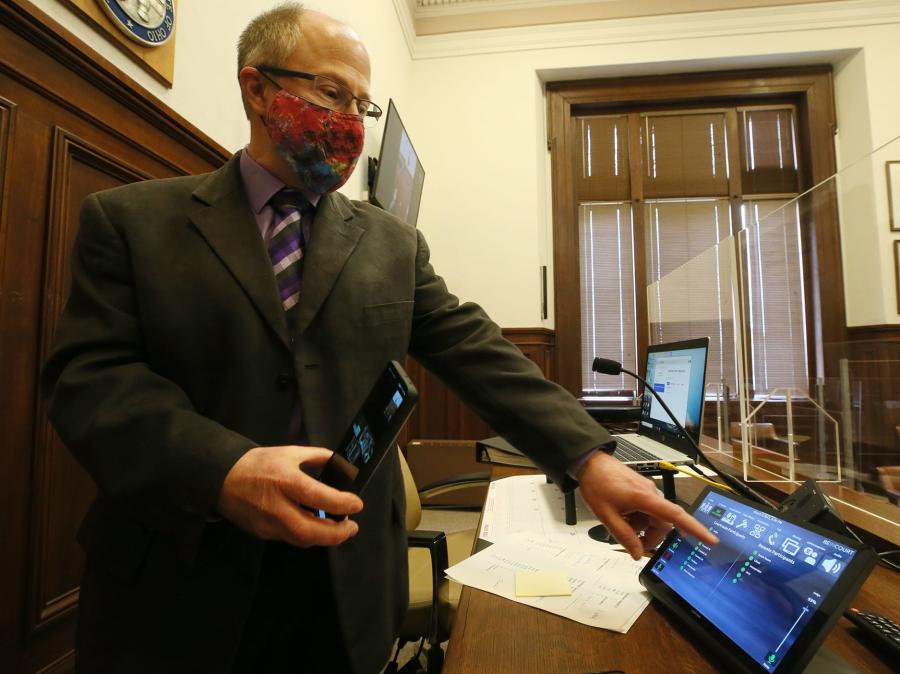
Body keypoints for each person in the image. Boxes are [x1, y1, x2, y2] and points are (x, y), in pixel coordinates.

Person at [41, 4, 717, 673]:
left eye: (361, 107)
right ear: (257, 88)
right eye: (331, 93)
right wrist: (222, 469)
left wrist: (589, 458)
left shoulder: (390, 244)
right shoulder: (130, 221)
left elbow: (474, 349)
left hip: (344, 589)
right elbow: (90, 382)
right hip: (176, 587)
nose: (349, 125)